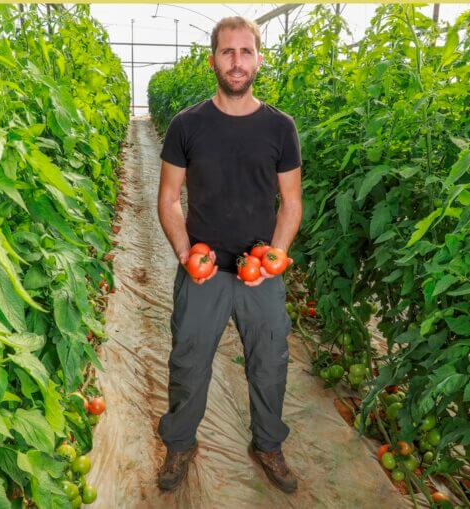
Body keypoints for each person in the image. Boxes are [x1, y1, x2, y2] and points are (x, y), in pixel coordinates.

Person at [155, 15, 303, 495]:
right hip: (203, 270)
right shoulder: (187, 125)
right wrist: (184, 253)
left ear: (259, 58)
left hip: (260, 269)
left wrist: (274, 259)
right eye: (227, 52)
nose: (236, 62)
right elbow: (168, 197)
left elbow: (291, 204)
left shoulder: (281, 128)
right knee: (188, 359)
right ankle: (180, 443)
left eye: (245, 52)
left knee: (270, 361)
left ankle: (268, 444)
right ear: (213, 59)